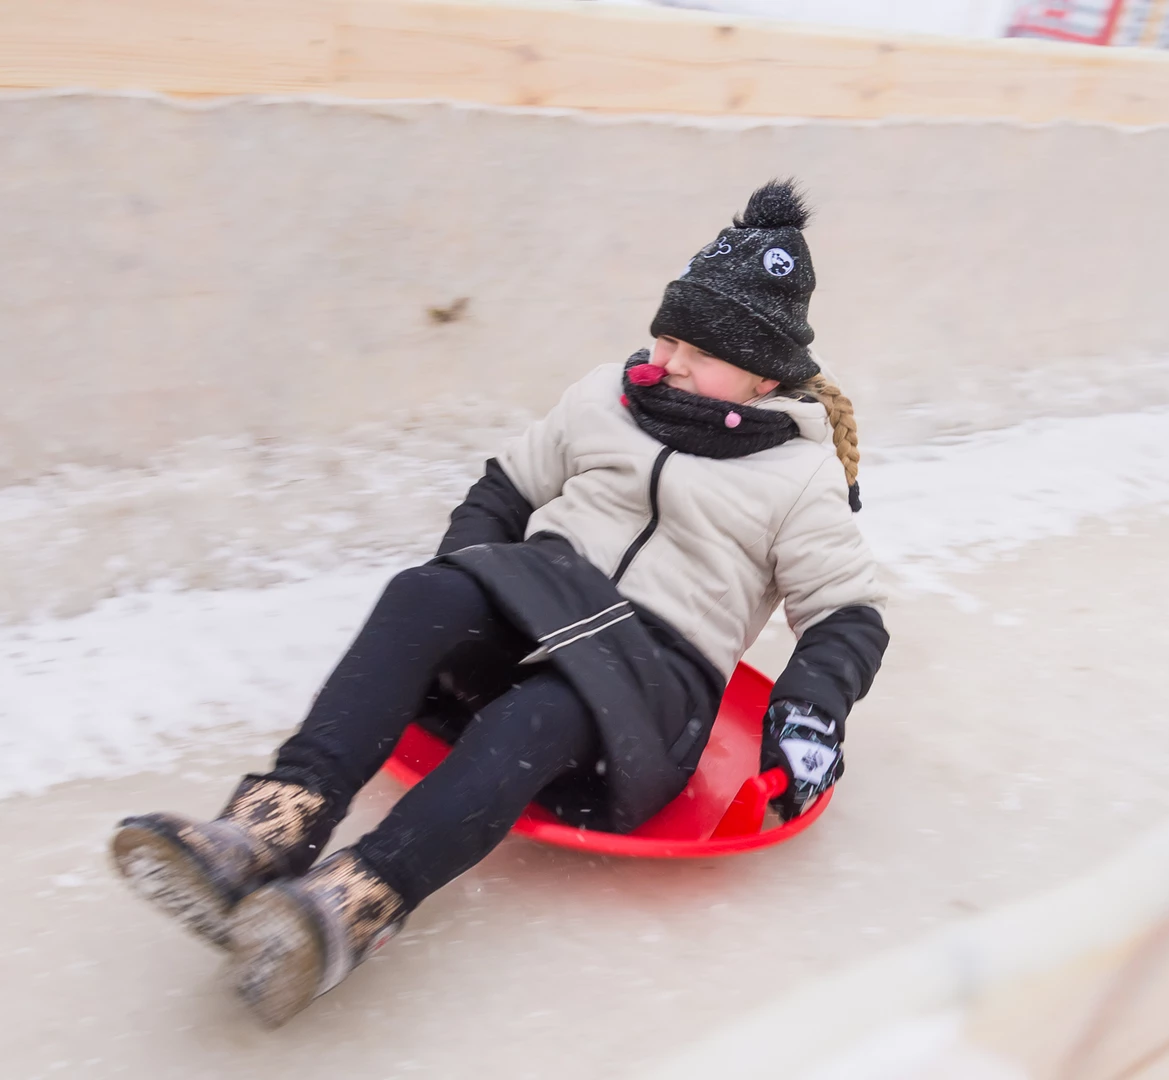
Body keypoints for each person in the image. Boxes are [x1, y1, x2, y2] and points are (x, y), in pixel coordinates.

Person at [110, 179, 889, 1027]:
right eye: (665, 336)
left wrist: (806, 721)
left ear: (763, 375)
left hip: (650, 680)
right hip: (540, 604)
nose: (666, 361)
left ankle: (351, 903)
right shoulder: (605, 397)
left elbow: (845, 613)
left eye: (697, 351)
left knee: (535, 718)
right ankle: (268, 825)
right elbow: (506, 488)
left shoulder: (799, 477)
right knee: (424, 592)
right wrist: (466, 589)